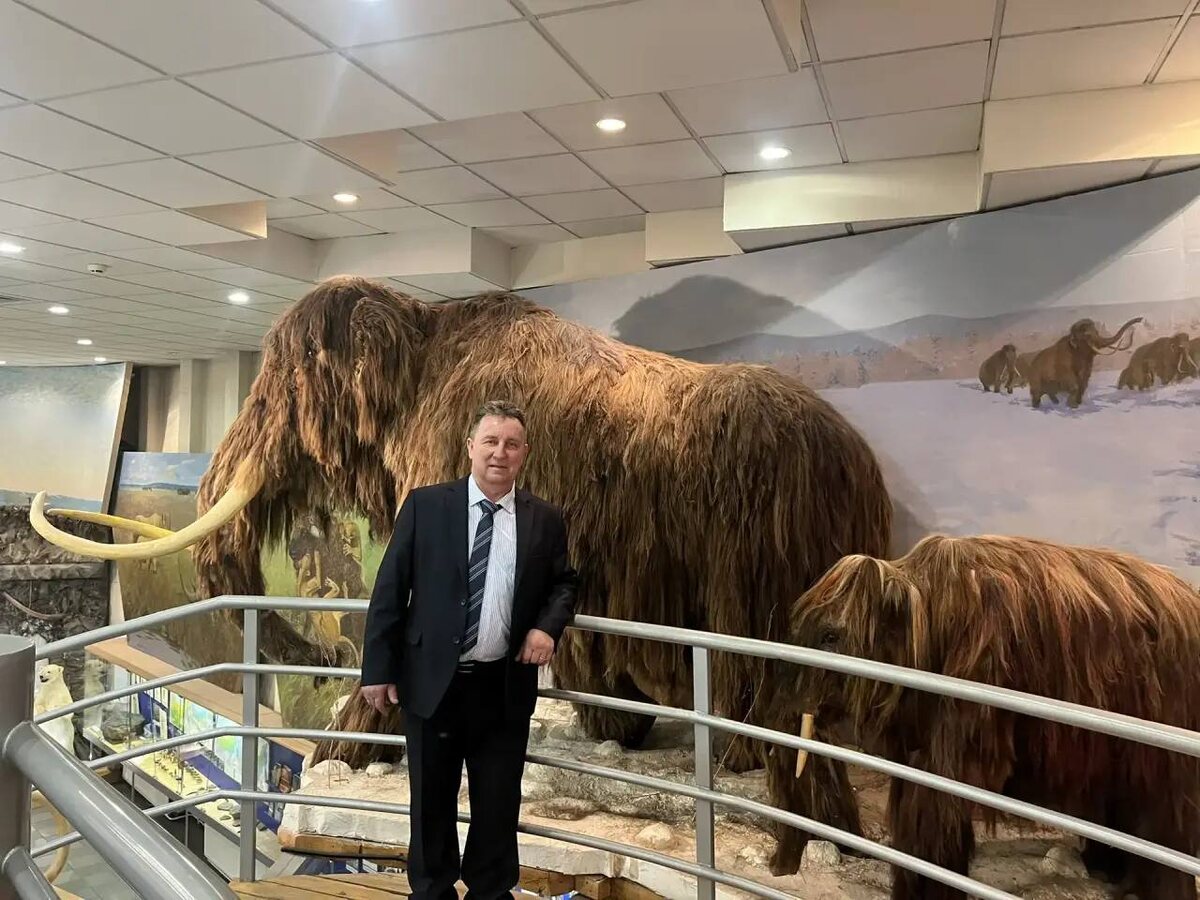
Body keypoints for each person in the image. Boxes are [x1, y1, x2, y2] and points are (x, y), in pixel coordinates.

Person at [361, 400, 578, 900]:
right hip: (431, 683)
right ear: (470, 447)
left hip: (501, 687)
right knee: (430, 802)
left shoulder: (545, 519)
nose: (500, 453)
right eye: (491, 441)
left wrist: (547, 628)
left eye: (511, 444)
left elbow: (565, 583)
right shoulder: (425, 506)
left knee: (498, 803)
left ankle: (490, 892)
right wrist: (377, 669)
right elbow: (390, 589)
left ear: (524, 453)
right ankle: (431, 890)